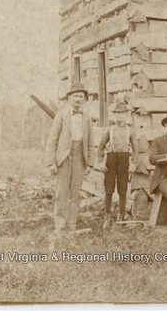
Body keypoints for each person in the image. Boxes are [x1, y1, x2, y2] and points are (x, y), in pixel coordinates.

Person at [45, 81, 97, 233]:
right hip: (64, 158)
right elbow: (52, 140)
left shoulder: (86, 117)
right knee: (61, 193)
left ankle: (71, 225)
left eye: (81, 97)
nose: (78, 100)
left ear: (84, 99)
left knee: (75, 193)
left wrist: (91, 164)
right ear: (69, 98)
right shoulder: (61, 116)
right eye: (75, 96)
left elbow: (91, 141)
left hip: (80, 156)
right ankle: (59, 225)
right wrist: (51, 163)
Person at [96, 101, 137, 227]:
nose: (120, 117)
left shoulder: (130, 131)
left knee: (123, 189)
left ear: (126, 115)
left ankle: (120, 216)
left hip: (124, 159)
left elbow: (136, 148)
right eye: (118, 114)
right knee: (109, 189)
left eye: (123, 114)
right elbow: (101, 147)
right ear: (114, 115)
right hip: (111, 158)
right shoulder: (110, 130)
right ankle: (107, 217)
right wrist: (100, 162)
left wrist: (133, 163)